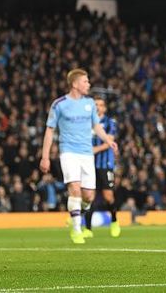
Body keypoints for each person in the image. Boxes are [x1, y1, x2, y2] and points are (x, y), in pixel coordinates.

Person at [40, 69, 118, 244]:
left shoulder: (90, 103)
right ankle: (76, 229)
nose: (88, 84)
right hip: (68, 152)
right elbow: (49, 130)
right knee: (75, 188)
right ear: (75, 84)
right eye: (85, 81)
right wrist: (45, 156)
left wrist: (108, 140)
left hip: (86, 154)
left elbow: (96, 126)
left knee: (88, 196)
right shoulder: (59, 104)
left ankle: (75, 213)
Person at [83, 96, 121, 239]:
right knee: (89, 196)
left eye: (100, 105)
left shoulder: (110, 122)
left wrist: (94, 150)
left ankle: (114, 220)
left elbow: (109, 141)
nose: (98, 107)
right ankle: (88, 229)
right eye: (96, 104)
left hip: (105, 164)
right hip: (89, 165)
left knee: (108, 196)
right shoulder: (87, 123)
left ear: (104, 108)